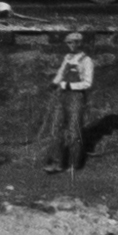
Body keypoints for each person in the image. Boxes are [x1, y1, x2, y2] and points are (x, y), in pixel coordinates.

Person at [44, 31, 95, 174]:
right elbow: (60, 73)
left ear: (80, 43)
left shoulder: (86, 60)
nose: (71, 45)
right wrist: (54, 83)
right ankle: (57, 162)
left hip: (76, 97)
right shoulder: (67, 58)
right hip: (62, 96)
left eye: (73, 42)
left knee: (74, 131)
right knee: (56, 129)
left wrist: (68, 85)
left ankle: (74, 163)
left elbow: (88, 83)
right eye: (68, 43)